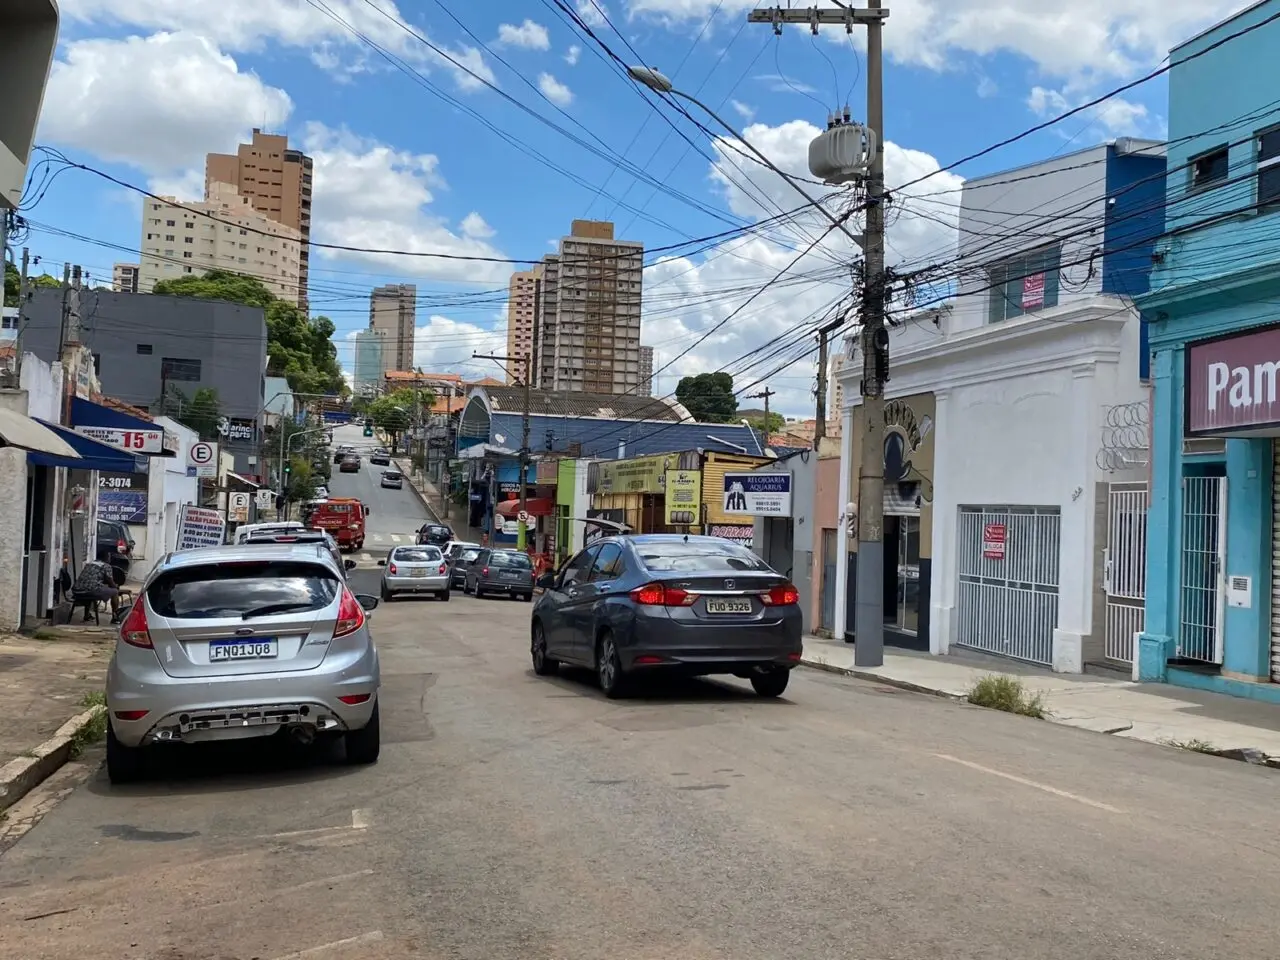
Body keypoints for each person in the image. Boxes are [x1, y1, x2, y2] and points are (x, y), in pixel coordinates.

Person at [72, 550, 122, 621]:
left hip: (76, 591)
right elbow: (110, 582)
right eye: (109, 557)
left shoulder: (89, 564)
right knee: (115, 592)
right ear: (105, 558)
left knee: (90, 588)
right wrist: (116, 587)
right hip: (90, 591)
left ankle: (87, 615)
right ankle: (115, 617)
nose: (109, 559)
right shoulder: (106, 566)